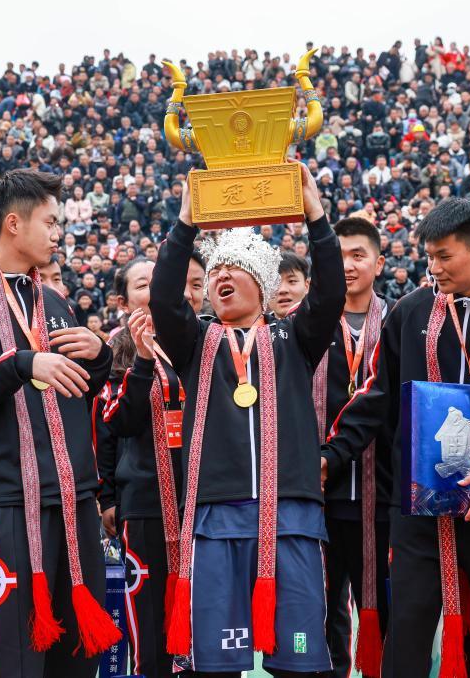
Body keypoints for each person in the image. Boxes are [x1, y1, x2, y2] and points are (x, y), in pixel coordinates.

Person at [322, 198, 470, 677]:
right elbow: (376, 396)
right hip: (418, 509)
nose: (433, 268)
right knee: (409, 629)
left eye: (444, 256)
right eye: (428, 256)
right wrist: (331, 456)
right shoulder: (411, 311)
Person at [150, 161, 345, 675]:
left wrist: (316, 215)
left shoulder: (294, 338)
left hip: (291, 515)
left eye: (232, 269)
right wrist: (185, 224)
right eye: (215, 273)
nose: (220, 277)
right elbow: (164, 299)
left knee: (298, 661)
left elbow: (330, 293)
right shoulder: (196, 343)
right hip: (218, 516)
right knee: (217, 664)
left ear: (260, 283)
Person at [0, 168, 119, 678]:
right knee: (13, 658)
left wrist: (99, 356)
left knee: (77, 659)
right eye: (51, 222)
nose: (59, 234)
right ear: (14, 224)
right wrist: (21, 363)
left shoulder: (51, 300)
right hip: (5, 500)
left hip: (73, 498)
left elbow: (81, 392)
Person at [97, 250, 204, 678]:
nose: (160, 291)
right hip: (146, 502)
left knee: (203, 622)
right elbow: (112, 429)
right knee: (151, 626)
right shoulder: (115, 354)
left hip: (204, 503)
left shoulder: (206, 340)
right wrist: (108, 496)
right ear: (123, 302)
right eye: (144, 285)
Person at [315, 216, 391, 678]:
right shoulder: (306, 325)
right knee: (321, 609)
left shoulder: (402, 321)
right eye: (338, 256)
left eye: (358, 255)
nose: (347, 265)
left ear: (378, 264)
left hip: (382, 497)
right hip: (319, 494)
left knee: (383, 605)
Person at [273, 252, 310, 319]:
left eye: (291, 281)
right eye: (275, 283)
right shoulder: (255, 325)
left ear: (307, 285)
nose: (282, 290)